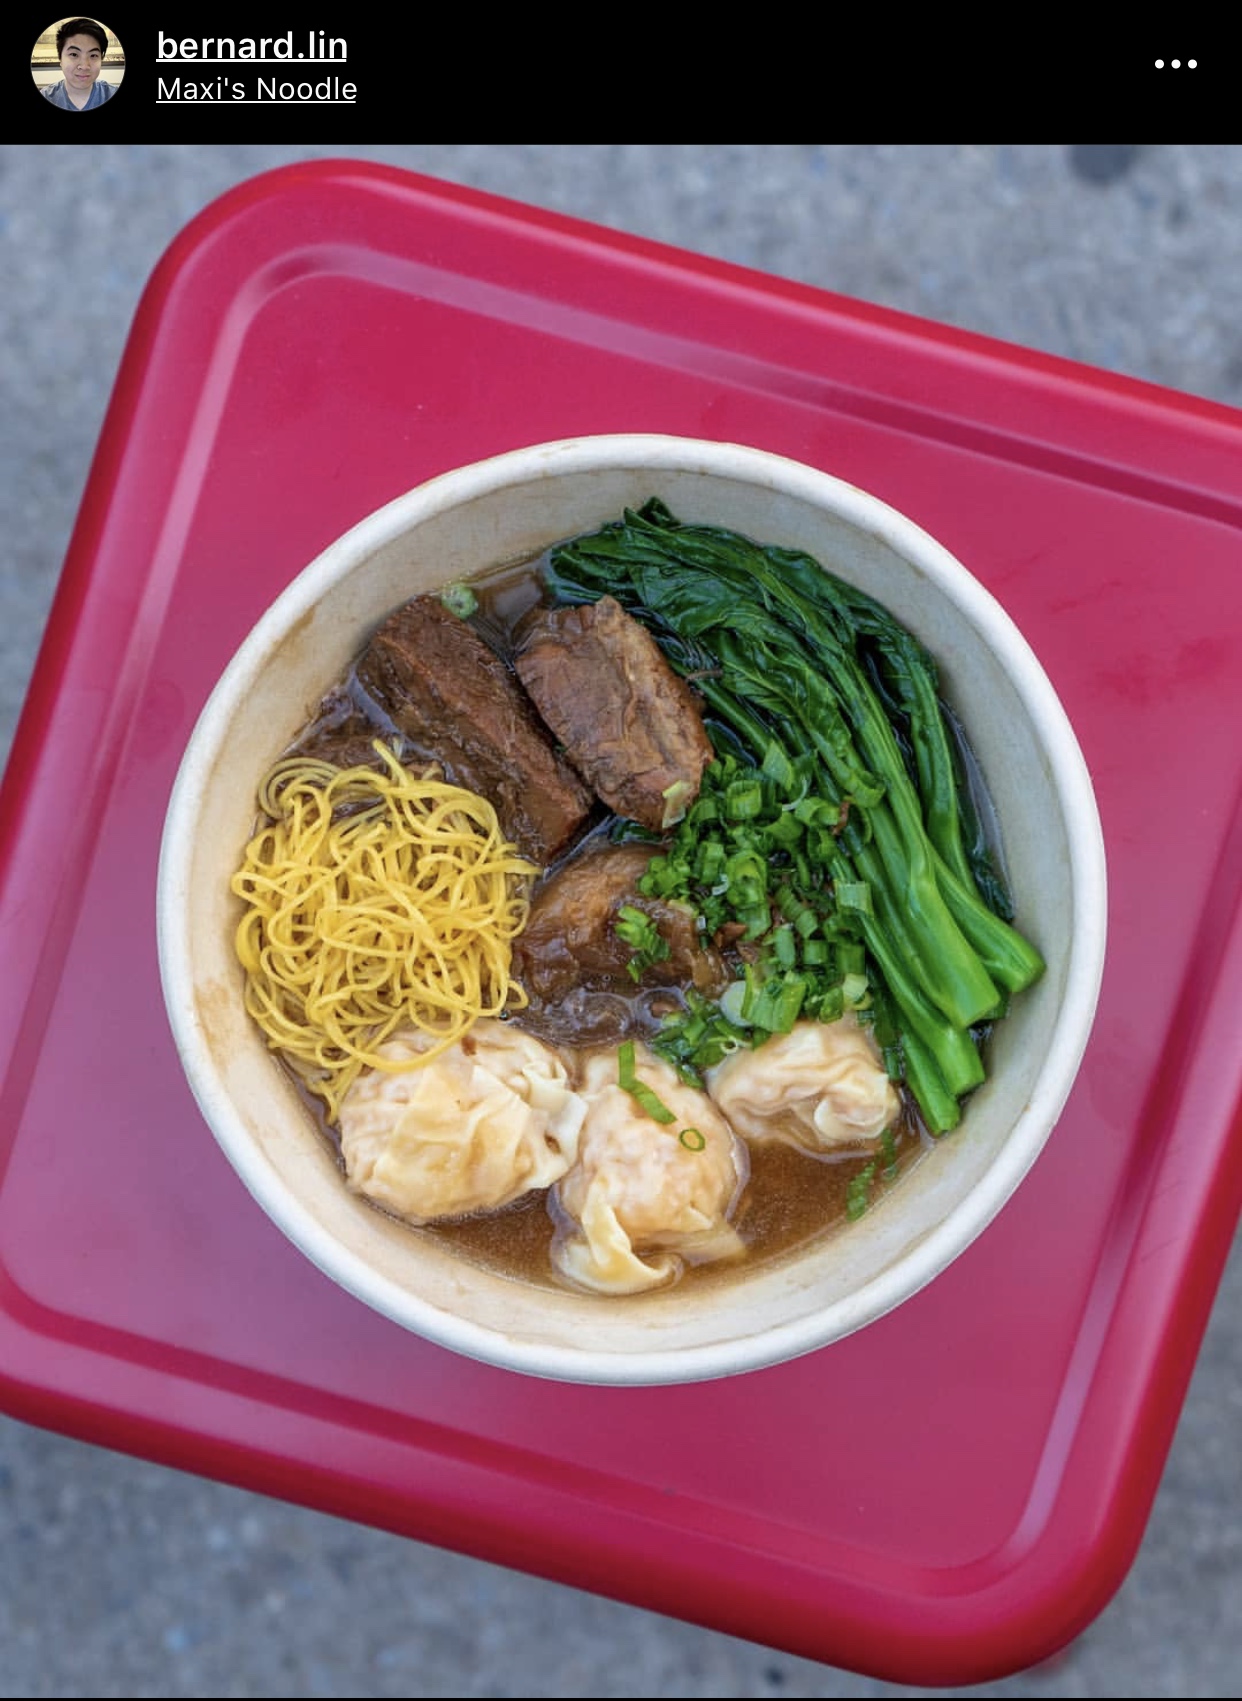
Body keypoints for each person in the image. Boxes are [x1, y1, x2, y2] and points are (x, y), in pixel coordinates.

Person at [41, 17, 116, 109]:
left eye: (93, 55)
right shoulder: (46, 97)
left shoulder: (110, 94)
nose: (84, 66)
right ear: (60, 59)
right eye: (74, 54)